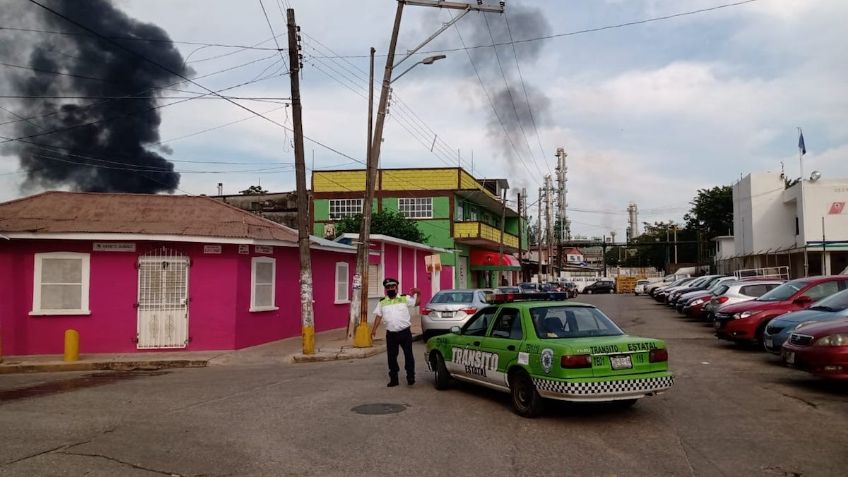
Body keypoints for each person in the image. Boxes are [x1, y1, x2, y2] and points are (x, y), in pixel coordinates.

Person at [371, 278, 420, 387]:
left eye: (392, 287)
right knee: (391, 358)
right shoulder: (382, 302)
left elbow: (417, 303)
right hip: (391, 334)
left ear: (396, 287)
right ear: (385, 289)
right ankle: (394, 379)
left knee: (408, 356)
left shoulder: (404, 298)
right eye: (388, 287)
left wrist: (419, 293)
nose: (390, 289)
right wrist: (373, 329)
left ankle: (410, 376)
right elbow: (378, 316)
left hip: (405, 333)